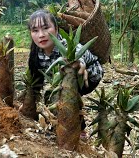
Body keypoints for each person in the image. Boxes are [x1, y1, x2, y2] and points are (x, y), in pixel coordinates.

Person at [27, 9, 104, 139]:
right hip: (62, 78)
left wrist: (78, 64)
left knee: (63, 92)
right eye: (35, 30)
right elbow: (36, 80)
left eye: (46, 28)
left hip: (89, 76)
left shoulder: (68, 46)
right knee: (53, 93)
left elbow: (80, 61)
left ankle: (79, 128)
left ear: (56, 29)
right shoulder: (36, 54)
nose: (41, 35)